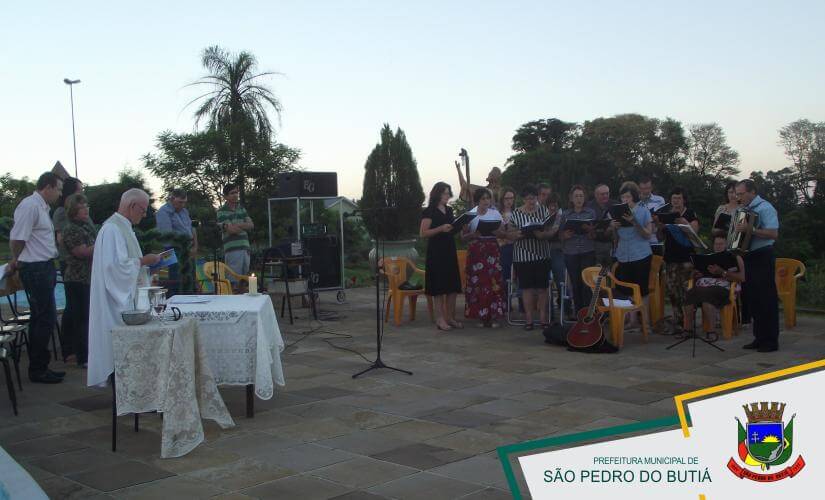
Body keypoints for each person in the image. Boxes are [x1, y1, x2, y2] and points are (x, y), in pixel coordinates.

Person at [87, 189, 161, 387]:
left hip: (125, 295)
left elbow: (127, 264)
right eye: (143, 210)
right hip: (115, 303)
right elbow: (114, 268)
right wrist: (145, 260)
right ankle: (127, 390)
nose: (144, 215)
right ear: (131, 206)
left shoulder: (124, 227)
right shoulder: (112, 229)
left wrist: (147, 270)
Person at [8, 172, 64, 384]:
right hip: (36, 268)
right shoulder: (30, 205)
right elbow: (17, 238)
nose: (59, 194)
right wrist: (17, 259)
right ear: (47, 187)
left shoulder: (41, 207)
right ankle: (38, 369)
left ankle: (40, 366)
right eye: (58, 189)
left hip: (44, 266)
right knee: (45, 318)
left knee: (42, 318)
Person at [735, 179, 780, 352]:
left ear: (752, 192)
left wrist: (751, 230)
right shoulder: (743, 210)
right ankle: (759, 337)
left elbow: (773, 233)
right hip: (749, 255)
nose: (739, 197)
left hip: (763, 254)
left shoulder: (765, 208)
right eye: (737, 194)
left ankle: (770, 340)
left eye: (741, 194)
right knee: (753, 298)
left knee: (766, 299)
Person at [508, 184, 553, 330]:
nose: (531, 201)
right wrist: (517, 234)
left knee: (542, 287)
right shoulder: (516, 213)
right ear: (523, 199)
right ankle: (529, 319)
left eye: (533, 198)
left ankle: (543, 318)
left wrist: (543, 234)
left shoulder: (543, 210)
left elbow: (549, 229)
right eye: (528, 199)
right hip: (522, 255)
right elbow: (510, 232)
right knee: (526, 288)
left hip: (542, 253)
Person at [609, 181, 654, 328]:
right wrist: (613, 227)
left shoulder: (643, 210)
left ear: (634, 197)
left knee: (642, 290)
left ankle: (645, 322)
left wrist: (634, 222)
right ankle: (632, 320)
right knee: (627, 289)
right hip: (623, 254)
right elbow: (615, 239)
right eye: (623, 197)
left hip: (640, 254)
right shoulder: (617, 211)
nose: (625, 200)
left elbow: (648, 234)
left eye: (628, 197)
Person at [420, 182, 463, 331]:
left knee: (452, 285)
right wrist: (440, 228)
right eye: (445, 193)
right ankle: (440, 319)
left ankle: (450, 317)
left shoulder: (449, 210)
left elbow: (451, 228)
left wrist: (458, 227)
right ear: (437, 194)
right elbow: (423, 233)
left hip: (449, 249)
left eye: (448, 193)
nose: (447, 196)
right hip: (436, 251)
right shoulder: (429, 211)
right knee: (439, 287)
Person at [684, 235, 745, 341]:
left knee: (707, 294)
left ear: (726, 245)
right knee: (690, 293)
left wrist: (722, 272)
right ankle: (688, 330)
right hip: (705, 285)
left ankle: (711, 331)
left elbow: (741, 278)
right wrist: (697, 274)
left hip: (724, 288)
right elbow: (699, 274)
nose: (718, 246)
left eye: (721, 244)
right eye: (716, 244)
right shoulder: (709, 257)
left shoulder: (734, 258)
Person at [60, 194, 97, 367]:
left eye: (87, 206)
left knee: (88, 317)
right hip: (77, 278)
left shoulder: (86, 227)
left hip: (88, 278)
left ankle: (87, 352)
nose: (87, 209)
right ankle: (82, 356)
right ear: (74, 210)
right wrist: (102, 244)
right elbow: (80, 252)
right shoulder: (71, 229)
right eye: (83, 207)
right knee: (81, 318)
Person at [656, 187, 699, 335]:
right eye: (674, 198)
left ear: (684, 199)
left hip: (687, 258)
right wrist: (660, 227)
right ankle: (679, 322)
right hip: (670, 258)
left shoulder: (690, 213)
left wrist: (683, 222)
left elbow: (695, 233)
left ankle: (689, 324)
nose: (676, 201)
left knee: (687, 291)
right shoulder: (666, 214)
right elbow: (660, 238)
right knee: (673, 292)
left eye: (679, 198)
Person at [461, 188, 506, 327]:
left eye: (488, 198)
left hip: (492, 250)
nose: (486, 201)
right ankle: (480, 316)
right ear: (477, 200)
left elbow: (503, 233)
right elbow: (462, 237)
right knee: (478, 283)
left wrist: (497, 231)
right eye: (483, 199)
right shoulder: (471, 214)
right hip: (476, 252)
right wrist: (472, 235)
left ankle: (494, 316)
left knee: (494, 282)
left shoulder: (495, 213)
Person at [52, 176, 85, 362]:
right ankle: (69, 348)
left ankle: (77, 346)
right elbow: (61, 238)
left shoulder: (81, 212)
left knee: (79, 307)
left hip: (83, 264)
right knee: (73, 306)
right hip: (71, 263)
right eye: (79, 190)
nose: (82, 193)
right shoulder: (61, 212)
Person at [560, 185, 597, 313]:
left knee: (587, 283)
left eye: (581, 196)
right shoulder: (565, 214)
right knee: (575, 284)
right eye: (576, 196)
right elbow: (559, 235)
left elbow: (595, 235)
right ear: (571, 198)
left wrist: (591, 231)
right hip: (571, 252)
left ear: (584, 197)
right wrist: (564, 235)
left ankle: (589, 312)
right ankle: (578, 312)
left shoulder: (591, 212)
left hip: (587, 251)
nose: (579, 199)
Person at [155, 189, 197, 294]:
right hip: (173, 251)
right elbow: (167, 236)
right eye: (180, 202)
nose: (182, 205)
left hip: (188, 250)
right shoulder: (163, 212)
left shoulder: (184, 211)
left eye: (184, 202)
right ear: (172, 199)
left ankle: (191, 307)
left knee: (190, 282)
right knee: (176, 283)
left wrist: (195, 246)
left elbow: (191, 229)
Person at [217, 183, 253, 279]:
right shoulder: (221, 211)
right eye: (232, 193)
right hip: (233, 250)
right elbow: (232, 230)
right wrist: (243, 225)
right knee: (233, 281)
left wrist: (237, 225)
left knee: (245, 281)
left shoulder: (241, 209)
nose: (235, 195)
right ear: (225, 196)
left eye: (236, 192)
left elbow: (251, 225)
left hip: (245, 248)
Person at [544, 192, 566, 317]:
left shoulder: (562, 216)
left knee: (560, 280)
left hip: (558, 250)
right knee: (546, 282)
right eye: (551, 205)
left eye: (555, 205)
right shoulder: (543, 215)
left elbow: (563, 235)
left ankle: (566, 310)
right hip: (545, 251)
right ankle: (550, 313)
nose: (553, 208)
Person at [588, 183, 617, 266]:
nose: (605, 196)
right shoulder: (588, 207)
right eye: (602, 194)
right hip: (594, 245)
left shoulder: (615, 204)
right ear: (596, 195)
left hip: (611, 244)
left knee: (611, 272)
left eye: (607, 193)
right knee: (596, 273)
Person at [637, 177, 666, 255]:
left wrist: (656, 218)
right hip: (640, 242)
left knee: (657, 266)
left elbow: (663, 219)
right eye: (643, 188)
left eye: (647, 188)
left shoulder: (660, 200)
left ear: (651, 187)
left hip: (656, 241)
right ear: (639, 189)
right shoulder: (635, 201)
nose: (645, 191)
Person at [497, 187, 517, 292]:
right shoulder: (498, 214)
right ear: (502, 199)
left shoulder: (518, 213)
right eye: (506, 198)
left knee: (519, 274)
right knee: (505, 274)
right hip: (504, 247)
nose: (509, 201)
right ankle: (505, 300)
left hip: (518, 246)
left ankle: (522, 302)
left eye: (511, 198)